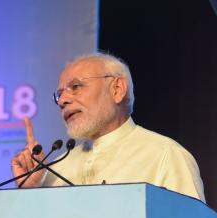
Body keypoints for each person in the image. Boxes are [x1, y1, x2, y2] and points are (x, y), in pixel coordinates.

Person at [11, 52, 205, 202]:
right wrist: (30, 193)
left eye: (76, 87)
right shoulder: (56, 168)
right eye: (59, 94)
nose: (63, 100)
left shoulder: (165, 155)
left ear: (117, 89)